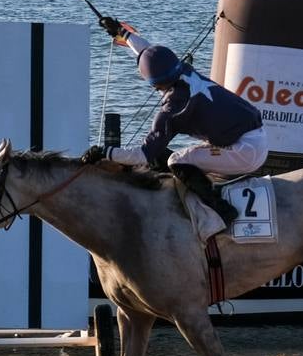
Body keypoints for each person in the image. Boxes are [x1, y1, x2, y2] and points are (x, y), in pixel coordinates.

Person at [85, 17, 266, 223]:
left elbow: (143, 155)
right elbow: (149, 52)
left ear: (154, 85)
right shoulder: (182, 69)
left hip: (245, 152)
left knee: (175, 160)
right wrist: (122, 32)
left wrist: (105, 152)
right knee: (165, 155)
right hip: (253, 136)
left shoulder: (172, 109)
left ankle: (222, 210)